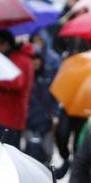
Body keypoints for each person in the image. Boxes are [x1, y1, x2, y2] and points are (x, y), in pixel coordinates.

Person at [0, 30, 33, 149]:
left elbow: (15, 83)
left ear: (6, 44)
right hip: (3, 116)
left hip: (9, 118)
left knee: (6, 154)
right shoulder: (12, 58)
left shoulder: (19, 60)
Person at [23, 33, 61, 167]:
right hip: (29, 122)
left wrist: (55, 115)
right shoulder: (24, 79)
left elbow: (55, 96)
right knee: (29, 156)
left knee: (47, 154)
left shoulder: (48, 76)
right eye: (32, 59)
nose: (35, 62)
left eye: (37, 58)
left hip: (46, 122)